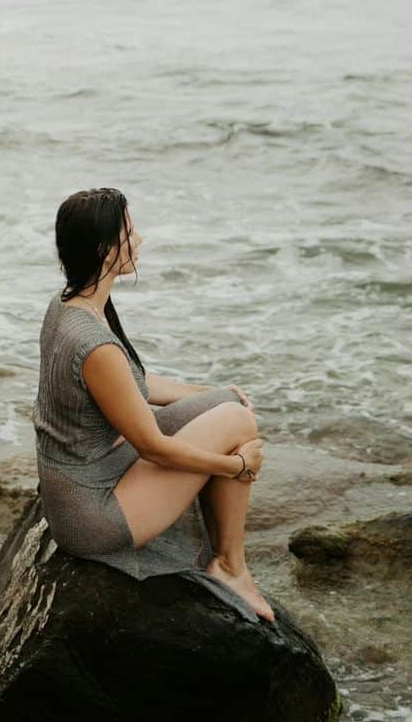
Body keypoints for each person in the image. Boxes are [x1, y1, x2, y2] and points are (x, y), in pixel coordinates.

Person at [31, 186, 274, 623]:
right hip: (93, 513)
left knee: (228, 407)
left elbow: (132, 384)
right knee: (237, 423)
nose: (139, 239)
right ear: (106, 250)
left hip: (88, 477)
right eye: (130, 230)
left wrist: (209, 393)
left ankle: (225, 557)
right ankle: (231, 566)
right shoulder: (92, 342)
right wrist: (237, 467)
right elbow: (154, 448)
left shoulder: (69, 305)